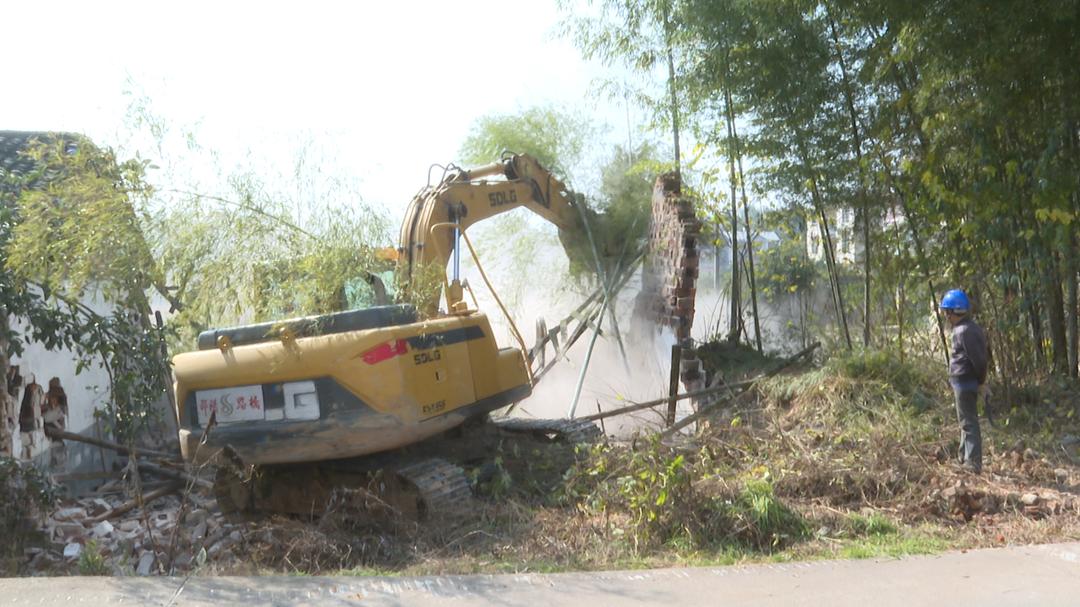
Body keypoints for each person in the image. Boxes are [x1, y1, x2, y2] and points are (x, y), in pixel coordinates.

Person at [939, 289, 989, 473]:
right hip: (964, 383)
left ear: (952, 312)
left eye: (947, 311)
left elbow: (980, 361)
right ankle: (963, 457)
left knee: (969, 423)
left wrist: (981, 383)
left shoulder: (963, 331)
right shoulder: (968, 328)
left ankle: (973, 463)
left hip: (966, 383)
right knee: (965, 422)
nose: (946, 315)